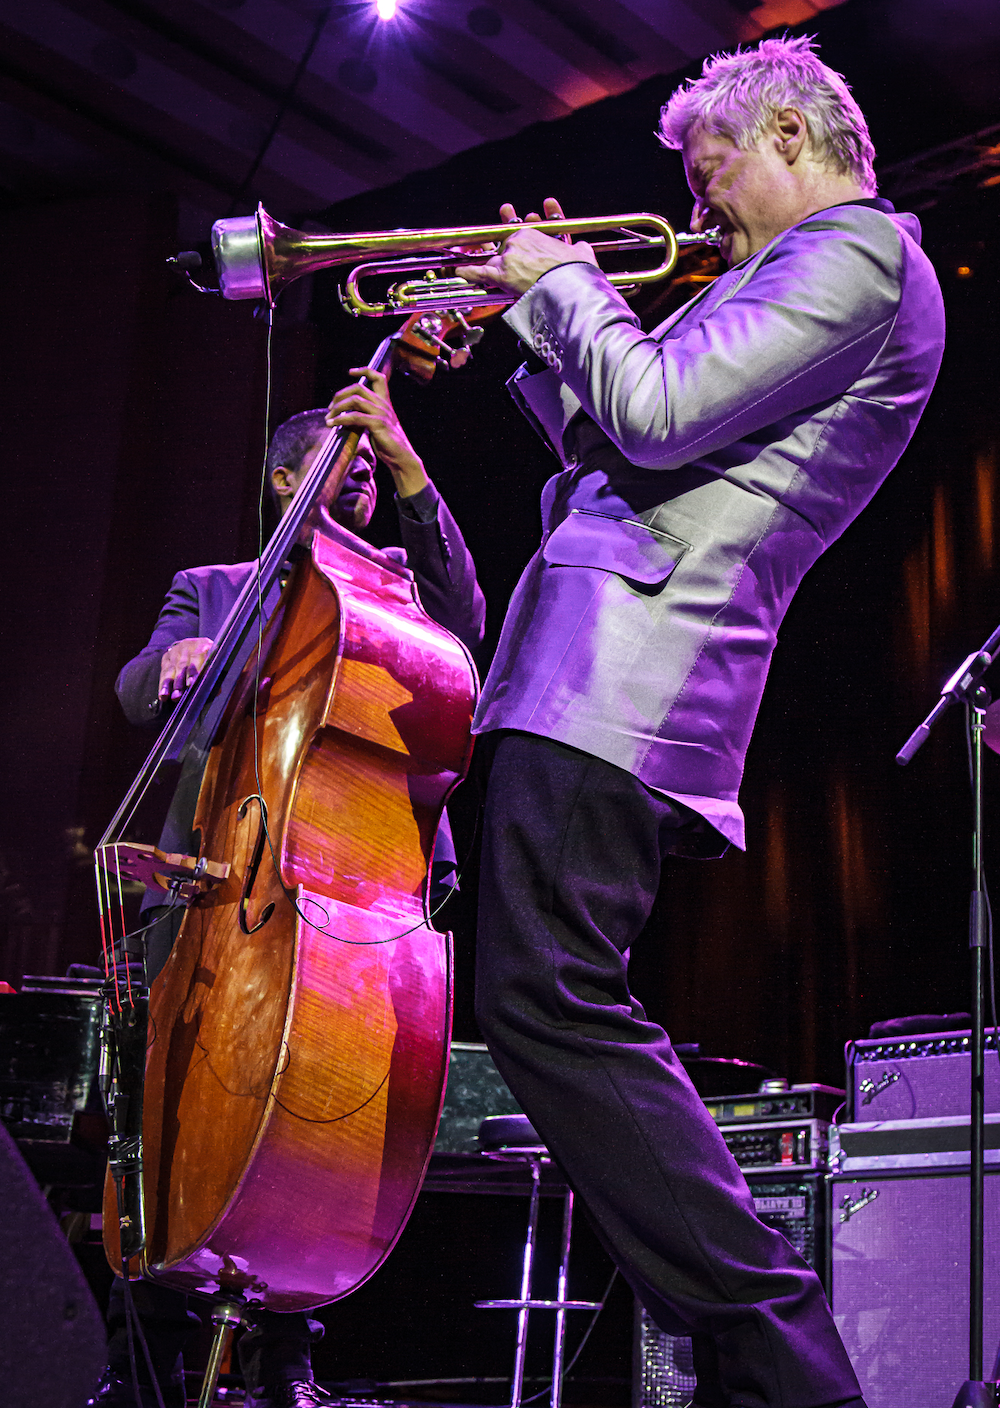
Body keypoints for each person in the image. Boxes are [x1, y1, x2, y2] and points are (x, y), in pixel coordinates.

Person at [454, 35, 945, 1408]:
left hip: (631, 674)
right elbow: (619, 448)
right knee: (543, 1000)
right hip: (593, 669)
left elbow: (658, 414)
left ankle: (777, 1355)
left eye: (706, 164)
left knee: (548, 1001)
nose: (698, 200)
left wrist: (568, 292)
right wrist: (541, 322)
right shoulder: (800, 274)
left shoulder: (852, 253)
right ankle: (758, 1358)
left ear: (788, 129)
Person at [92, 368, 485, 1408]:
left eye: (365, 477)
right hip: (213, 877)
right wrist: (175, 651)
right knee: (174, 1104)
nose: (353, 488)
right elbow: (137, 692)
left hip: (348, 889)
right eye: (334, 469)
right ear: (280, 478)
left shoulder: (398, 586)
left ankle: (285, 1349)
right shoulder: (212, 584)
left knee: (308, 1118)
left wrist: (405, 465)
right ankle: (153, 1344)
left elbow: (466, 619)